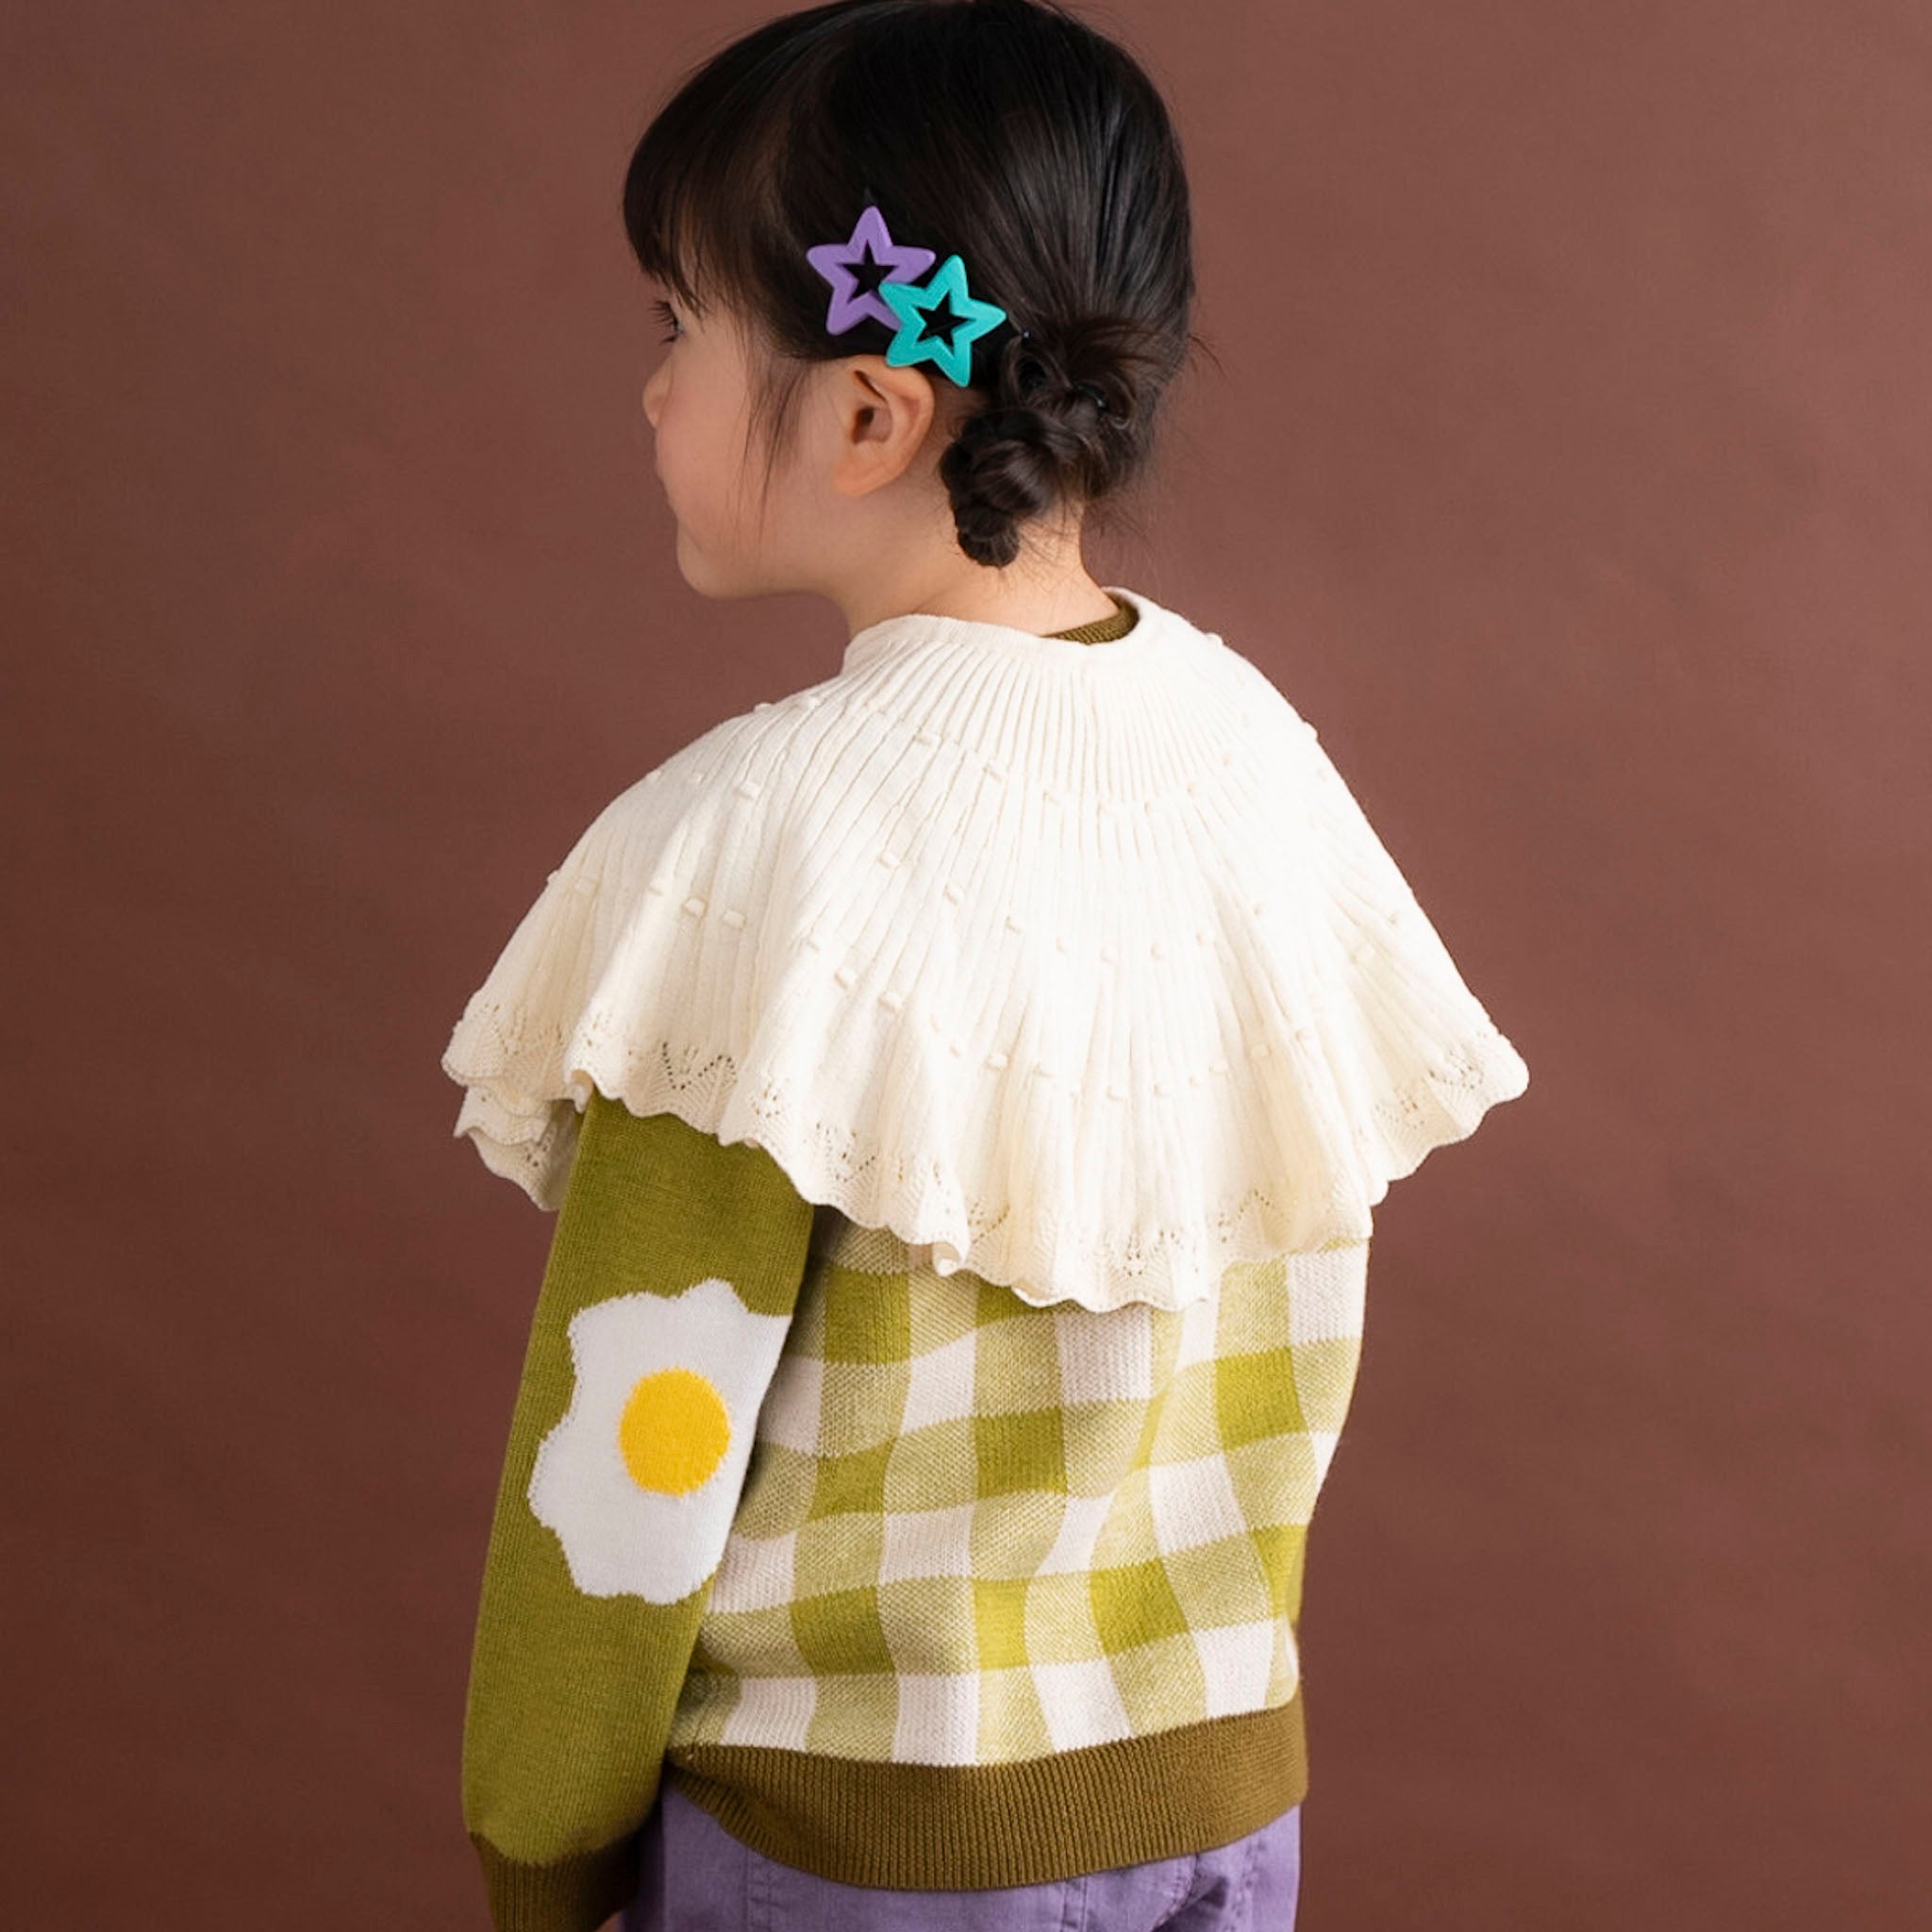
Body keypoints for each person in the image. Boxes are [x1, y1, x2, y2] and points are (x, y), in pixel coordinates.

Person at [440, 4, 1531, 1928]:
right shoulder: (1254, 757)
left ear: (869, 412)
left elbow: (630, 1456)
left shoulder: (757, 853)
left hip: (859, 1853)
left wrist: (540, 1847)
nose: (652, 391)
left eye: (677, 325)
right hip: (1217, 1814)